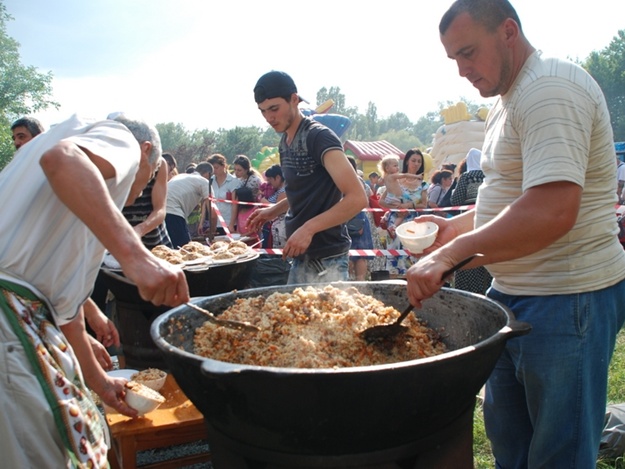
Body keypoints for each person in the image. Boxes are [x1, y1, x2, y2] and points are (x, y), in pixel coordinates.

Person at [406, 1, 625, 467]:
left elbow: (552, 210)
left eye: (469, 53)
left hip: (567, 299)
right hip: (514, 296)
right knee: (512, 445)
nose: (463, 71)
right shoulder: (510, 100)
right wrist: (455, 228)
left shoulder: (548, 88)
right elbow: (511, 199)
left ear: (508, 31)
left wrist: (450, 257)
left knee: (557, 456)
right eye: (454, 60)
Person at [0, 113, 190, 468]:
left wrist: (99, 381)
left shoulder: (63, 185)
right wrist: (137, 258)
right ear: (145, 152)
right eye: (147, 179)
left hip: (22, 316)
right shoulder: (123, 140)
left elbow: (62, 302)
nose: (138, 193)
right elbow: (62, 161)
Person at [248, 70, 367, 284]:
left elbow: (357, 198)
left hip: (326, 259)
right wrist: (273, 211)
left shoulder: (318, 137)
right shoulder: (285, 141)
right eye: (263, 111)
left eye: (274, 108)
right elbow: (304, 194)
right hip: (301, 255)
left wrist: (308, 228)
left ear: (294, 99)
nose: (269, 118)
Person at [122, 155, 173, 248]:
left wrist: (140, 230)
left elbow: (160, 209)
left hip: (155, 243)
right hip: (117, 243)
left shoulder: (158, 163)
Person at [165, 161, 213, 247]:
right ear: (207, 174)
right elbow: (212, 210)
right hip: (174, 213)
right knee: (185, 248)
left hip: (161, 213)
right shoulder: (204, 182)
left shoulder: (180, 176)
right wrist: (213, 230)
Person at [206, 153, 241, 233]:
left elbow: (234, 204)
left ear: (224, 166)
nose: (214, 171)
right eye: (212, 168)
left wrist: (231, 224)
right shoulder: (210, 181)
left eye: (216, 168)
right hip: (215, 223)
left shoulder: (233, 181)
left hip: (228, 222)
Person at [230, 154, 264, 233]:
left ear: (246, 170)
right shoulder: (235, 179)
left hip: (252, 212)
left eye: (239, 170)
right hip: (240, 212)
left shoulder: (254, 180)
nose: (236, 172)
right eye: (235, 169)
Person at [262, 164, 287, 248]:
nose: (269, 183)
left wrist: (265, 202)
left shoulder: (283, 192)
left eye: (270, 179)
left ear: (278, 178)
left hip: (280, 231)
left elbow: (278, 210)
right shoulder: (278, 191)